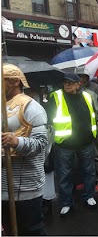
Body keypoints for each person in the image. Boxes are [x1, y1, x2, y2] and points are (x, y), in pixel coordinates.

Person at [45, 73, 98, 216]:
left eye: (71, 82)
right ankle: (66, 203)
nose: (67, 85)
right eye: (65, 82)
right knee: (64, 175)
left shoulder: (87, 96)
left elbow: (93, 117)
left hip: (85, 141)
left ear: (79, 84)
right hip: (65, 144)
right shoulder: (56, 96)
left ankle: (88, 196)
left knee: (89, 171)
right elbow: (48, 116)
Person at [2, 64, 49, 235]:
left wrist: (16, 142)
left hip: (26, 185)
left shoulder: (31, 107)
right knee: (9, 229)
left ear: (14, 82)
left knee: (31, 230)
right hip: (2, 184)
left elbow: (41, 143)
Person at [77, 71, 98, 192]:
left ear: (87, 77)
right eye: (79, 77)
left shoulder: (96, 89)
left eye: (83, 77)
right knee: (82, 155)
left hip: (95, 127)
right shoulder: (75, 89)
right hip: (80, 128)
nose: (81, 79)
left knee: (96, 154)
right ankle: (86, 180)